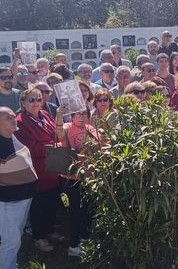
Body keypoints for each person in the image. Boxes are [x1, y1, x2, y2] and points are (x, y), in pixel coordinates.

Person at [0, 107, 39, 269]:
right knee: (10, 242)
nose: (14, 120)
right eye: (8, 118)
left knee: (14, 237)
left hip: (21, 198)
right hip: (9, 202)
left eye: (13, 116)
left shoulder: (10, 136)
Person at [14, 88, 66, 251]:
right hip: (37, 169)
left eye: (38, 99)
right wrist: (53, 148)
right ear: (23, 103)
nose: (36, 102)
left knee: (52, 201)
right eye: (31, 100)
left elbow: (56, 134)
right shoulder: (20, 121)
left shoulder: (45, 115)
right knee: (39, 204)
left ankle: (49, 230)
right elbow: (29, 147)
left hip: (52, 167)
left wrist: (55, 146)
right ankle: (39, 236)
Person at [55, 106, 99, 258]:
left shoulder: (91, 129)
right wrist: (59, 117)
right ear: (72, 117)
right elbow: (59, 133)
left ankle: (85, 237)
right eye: (77, 114)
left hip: (89, 177)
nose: (81, 116)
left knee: (89, 208)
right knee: (75, 211)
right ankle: (73, 246)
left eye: (84, 114)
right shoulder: (68, 127)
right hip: (71, 177)